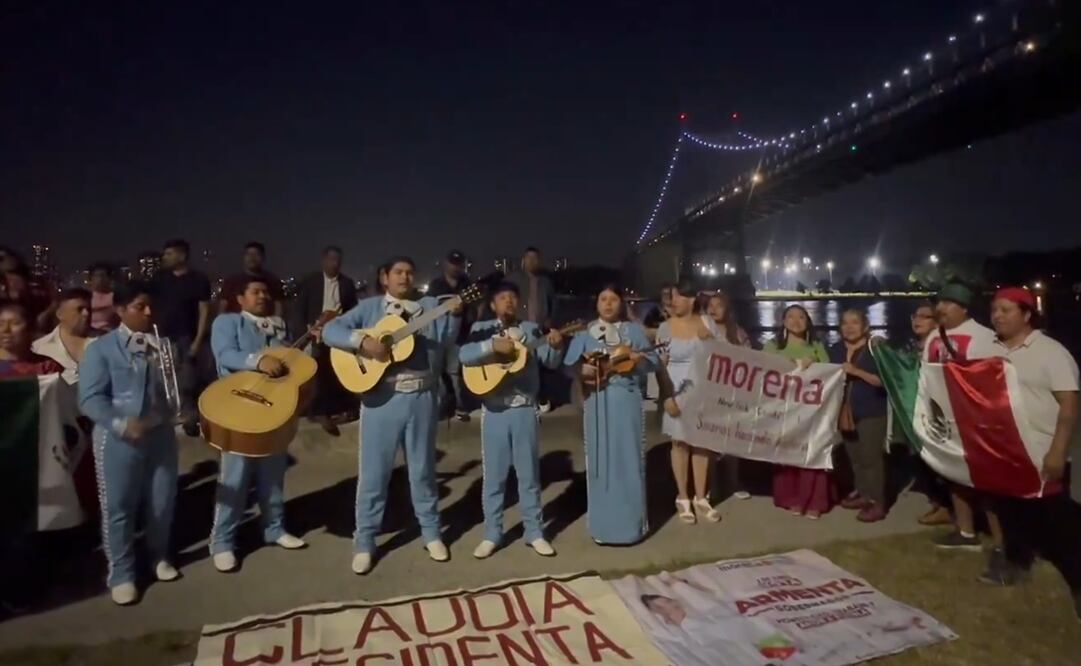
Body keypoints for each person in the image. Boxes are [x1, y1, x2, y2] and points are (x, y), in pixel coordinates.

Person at [322, 256, 461, 575]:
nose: (405, 277)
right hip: (381, 399)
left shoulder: (428, 306)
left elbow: (446, 341)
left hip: (423, 397)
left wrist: (454, 315)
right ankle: (365, 541)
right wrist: (362, 340)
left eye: (410, 272)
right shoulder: (369, 308)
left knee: (423, 470)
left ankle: (431, 532)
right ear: (384, 277)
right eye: (398, 272)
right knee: (374, 473)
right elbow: (331, 331)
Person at [78, 281, 179, 605]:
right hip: (118, 438)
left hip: (160, 434)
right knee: (119, 507)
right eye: (139, 306)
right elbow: (90, 399)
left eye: (151, 306)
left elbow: (175, 389)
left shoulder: (164, 345)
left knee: (161, 501)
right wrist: (122, 424)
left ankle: (158, 555)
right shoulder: (101, 348)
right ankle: (121, 572)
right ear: (120, 310)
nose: (148, 312)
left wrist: (179, 408)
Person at [979, 288, 1081, 596]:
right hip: (1005, 452)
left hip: (1042, 453)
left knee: (1059, 526)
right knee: (1011, 516)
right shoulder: (991, 350)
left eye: (1006, 310)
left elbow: (1069, 405)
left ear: (1026, 315)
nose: (997, 316)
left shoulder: (1051, 352)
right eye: (994, 310)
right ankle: (1016, 565)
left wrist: (1058, 451)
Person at [208, 276, 307, 572]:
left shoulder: (279, 325)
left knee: (273, 473)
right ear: (240, 298)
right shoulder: (228, 322)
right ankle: (222, 541)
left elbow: (288, 364)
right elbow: (225, 354)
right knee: (235, 477)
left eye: (265, 292)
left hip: (273, 408)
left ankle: (274, 528)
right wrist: (258, 360)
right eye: (255, 292)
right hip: (239, 407)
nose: (262, 296)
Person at [459, 282, 564, 558]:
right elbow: (464, 355)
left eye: (513, 297)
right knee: (494, 477)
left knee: (528, 475)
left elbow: (550, 361)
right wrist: (491, 345)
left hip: (524, 410)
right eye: (503, 297)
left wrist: (556, 345)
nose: (508, 301)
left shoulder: (531, 329)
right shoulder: (481, 329)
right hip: (494, 411)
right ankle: (492, 533)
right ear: (493, 304)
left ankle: (534, 532)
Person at [563, 284, 658, 544]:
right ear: (597, 303)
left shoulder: (633, 331)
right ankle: (602, 527)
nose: (608, 304)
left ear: (622, 303)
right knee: (600, 462)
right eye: (603, 299)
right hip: (596, 401)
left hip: (627, 401)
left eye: (613, 299)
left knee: (629, 460)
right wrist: (581, 371)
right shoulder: (585, 333)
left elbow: (654, 362)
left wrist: (638, 360)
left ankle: (632, 527)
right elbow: (569, 365)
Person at [923, 282, 1004, 553]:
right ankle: (966, 532)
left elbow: (994, 381)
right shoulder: (934, 337)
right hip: (945, 420)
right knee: (954, 476)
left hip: (976, 421)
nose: (941, 308)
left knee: (987, 483)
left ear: (964, 308)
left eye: (948, 303)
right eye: (939, 302)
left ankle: (1002, 543)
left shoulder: (984, 337)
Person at [657, 282, 721, 524]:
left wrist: (710, 340)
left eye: (677, 296)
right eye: (671, 297)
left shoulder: (707, 322)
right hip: (676, 390)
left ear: (692, 299)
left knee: (702, 443)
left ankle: (701, 496)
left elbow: (725, 357)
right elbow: (660, 367)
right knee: (680, 443)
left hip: (703, 390)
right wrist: (667, 397)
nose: (672, 301)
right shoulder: (665, 327)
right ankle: (683, 496)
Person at [764, 304, 837, 519]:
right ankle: (792, 498)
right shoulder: (772, 346)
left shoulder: (816, 346)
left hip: (811, 411)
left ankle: (814, 500)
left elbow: (830, 373)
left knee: (812, 452)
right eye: (791, 317)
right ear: (783, 321)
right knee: (787, 452)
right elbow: (762, 368)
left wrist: (813, 363)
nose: (796, 321)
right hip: (783, 410)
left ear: (808, 322)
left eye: (801, 317)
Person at [290, 246, 358, 435]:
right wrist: (303, 334)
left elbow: (353, 311)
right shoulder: (311, 282)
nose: (334, 264)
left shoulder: (347, 283)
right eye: (331, 259)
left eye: (338, 260)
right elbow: (299, 310)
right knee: (318, 370)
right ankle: (317, 411)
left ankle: (339, 408)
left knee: (339, 369)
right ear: (324, 260)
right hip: (313, 333)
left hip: (338, 332)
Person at [829, 309, 889, 522]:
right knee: (855, 458)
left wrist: (856, 371)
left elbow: (884, 381)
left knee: (871, 459)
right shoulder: (835, 349)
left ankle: (878, 503)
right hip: (845, 412)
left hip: (872, 411)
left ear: (865, 326)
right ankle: (863, 493)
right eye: (845, 323)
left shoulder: (876, 349)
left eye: (855, 322)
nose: (849, 327)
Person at [152, 239, 212, 437]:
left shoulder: (198, 279)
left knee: (188, 381)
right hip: (163, 337)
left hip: (188, 336)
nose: (165, 258)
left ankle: (190, 420)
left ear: (182, 255)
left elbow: (204, 311)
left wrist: (197, 341)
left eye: (169, 254)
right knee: (165, 379)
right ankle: (168, 418)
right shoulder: (160, 279)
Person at [906, 300, 952, 526]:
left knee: (939, 461)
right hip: (916, 412)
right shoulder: (911, 348)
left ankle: (946, 506)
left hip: (938, 413)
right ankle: (937, 502)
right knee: (921, 459)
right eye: (915, 316)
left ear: (936, 322)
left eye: (925, 316)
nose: (918, 320)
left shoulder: (942, 347)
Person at [507, 247, 557, 412]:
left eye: (535, 258)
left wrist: (550, 322)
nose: (531, 262)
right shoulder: (513, 279)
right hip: (519, 328)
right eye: (528, 258)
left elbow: (553, 303)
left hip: (541, 328)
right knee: (519, 363)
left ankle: (542, 398)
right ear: (523, 260)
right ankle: (519, 396)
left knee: (542, 364)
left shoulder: (546, 282)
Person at [428, 249, 475, 422]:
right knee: (437, 371)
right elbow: (428, 308)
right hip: (437, 335)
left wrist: (464, 314)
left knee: (455, 371)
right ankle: (443, 405)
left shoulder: (468, 285)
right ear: (445, 264)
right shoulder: (436, 285)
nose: (455, 267)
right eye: (452, 263)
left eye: (459, 264)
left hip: (461, 335)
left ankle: (460, 405)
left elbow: (476, 309)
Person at [32, 288, 96, 384]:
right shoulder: (39, 348)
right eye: (79, 309)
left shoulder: (107, 342)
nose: (86, 314)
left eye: (89, 309)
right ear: (60, 314)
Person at [0, 300, 63, 377]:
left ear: (31, 329)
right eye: (1, 324)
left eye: (15, 323)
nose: (5, 330)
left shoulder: (47, 366)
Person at [220, 242, 284, 316]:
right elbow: (223, 305)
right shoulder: (231, 280)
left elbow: (278, 305)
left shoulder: (273, 280)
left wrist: (276, 321)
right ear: (244, 257)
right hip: (235, 322)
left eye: (256, 254)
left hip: (264, 321)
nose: (252, 258)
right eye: (248, 254)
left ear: (263, 258)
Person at [88, 262, 119, 333]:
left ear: (109, 279)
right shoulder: (86, 297)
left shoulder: (116, 297)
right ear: (91, 279)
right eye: (96, 276)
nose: (100, 279)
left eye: (103, 276)